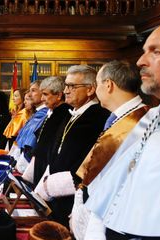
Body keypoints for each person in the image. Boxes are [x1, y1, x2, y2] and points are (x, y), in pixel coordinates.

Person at [84, 21, 160, 240]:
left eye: (156, 51)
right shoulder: (153, 116)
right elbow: (118, 180)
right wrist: (97, 235)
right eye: (143, 52)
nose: (141, 61)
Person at [61, 60, 148, 240]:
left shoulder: (140, 122)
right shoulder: (119, 117)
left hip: (113, 231)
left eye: (98, 83)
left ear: (108, 85)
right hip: (95, 219)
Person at [33, 65, 109, 228]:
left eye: (72, 86)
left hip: (73, 195)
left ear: (90, 90)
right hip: (56, 191)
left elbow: (89, 164)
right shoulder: (74, 112)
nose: (66, 90)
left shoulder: (97, 117)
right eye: (66, 85)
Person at [23, 76, 72, 184]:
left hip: (49, 175)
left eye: (45, 94)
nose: (42, 99)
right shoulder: (53, 112)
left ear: (59, 95)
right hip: (40, 168)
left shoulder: (64, 115)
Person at [10, 81, 48, 170]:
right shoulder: (37, 113)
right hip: (19, 163)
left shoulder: (44, 114)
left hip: (27, 166)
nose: (30, 94)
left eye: (33, 91)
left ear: (43, 92)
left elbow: (31, 144)